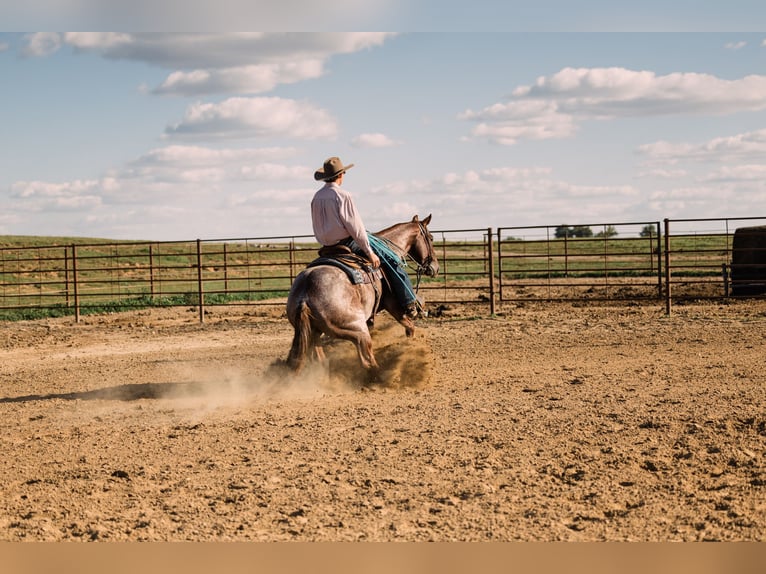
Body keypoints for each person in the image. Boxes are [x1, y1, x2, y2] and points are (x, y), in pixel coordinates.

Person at [311, 156, 420, 319]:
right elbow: (355, 227)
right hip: (348, 242)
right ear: (341, 175)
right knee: (391, 260)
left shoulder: (316, 197)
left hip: (326, 247)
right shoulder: (343, 195)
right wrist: (369, 252)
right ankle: (409, 302)